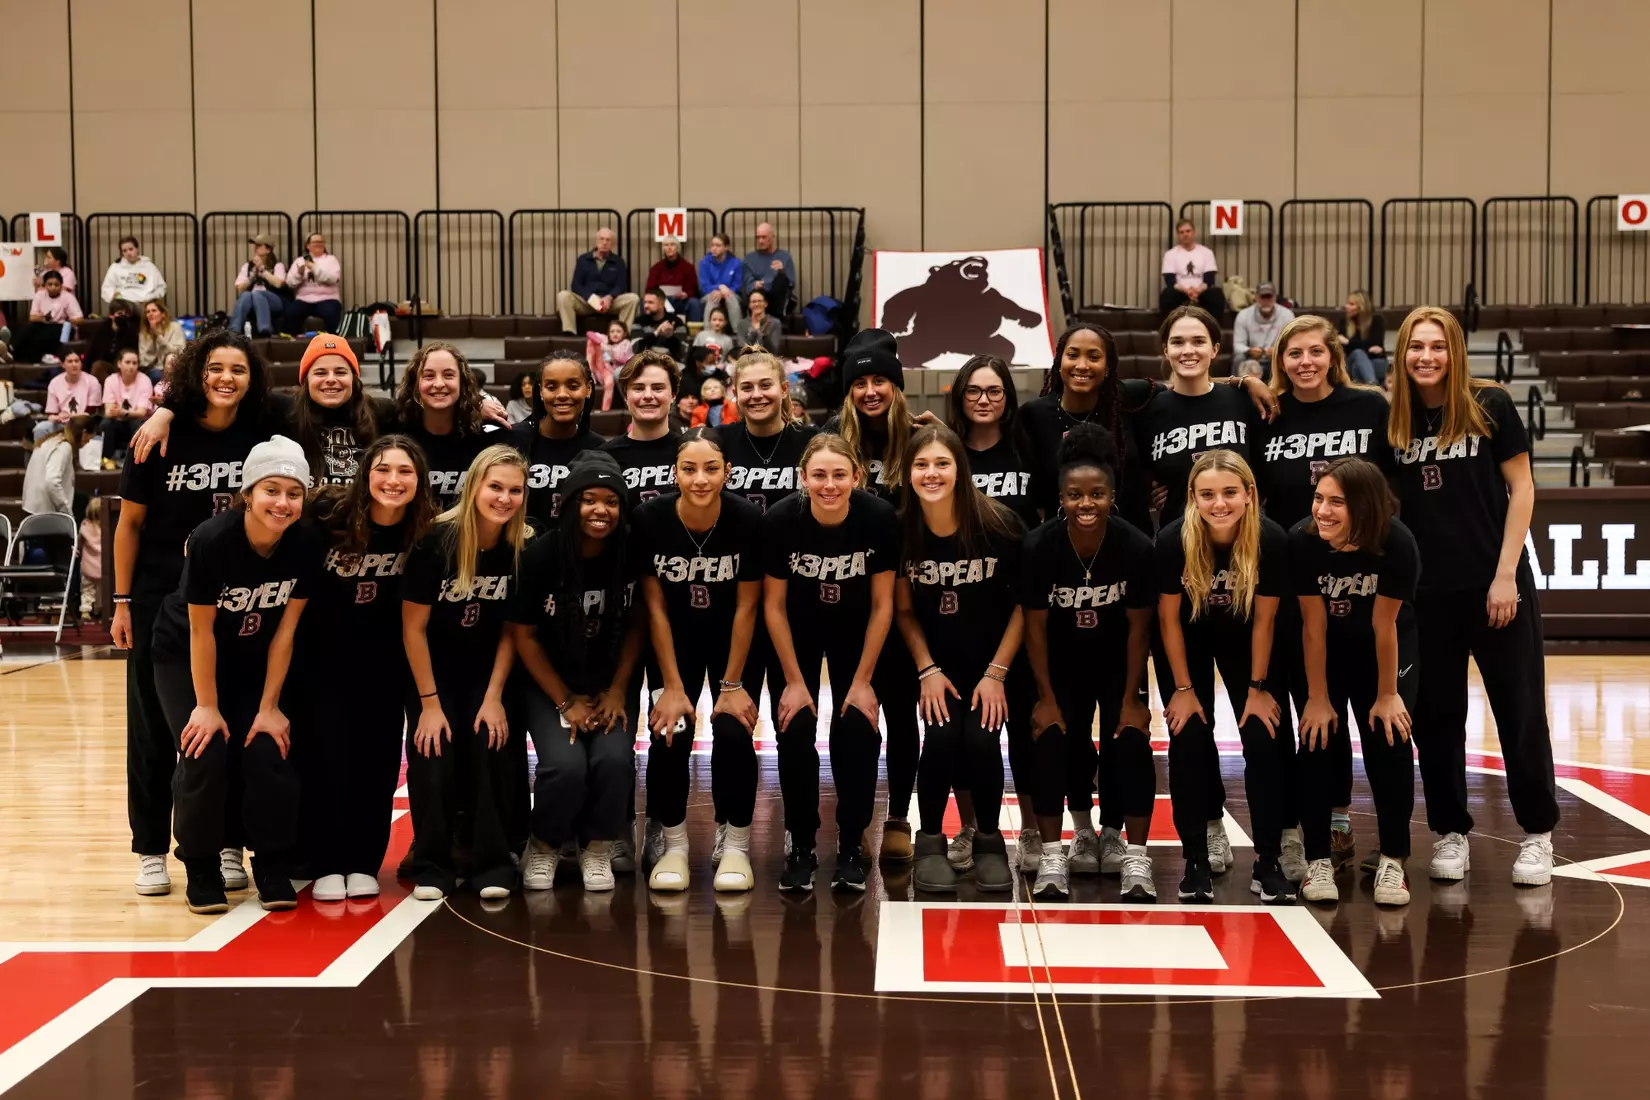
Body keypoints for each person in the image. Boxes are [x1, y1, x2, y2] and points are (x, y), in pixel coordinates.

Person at [1386, 306, 1557, 887]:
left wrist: (1506, 574)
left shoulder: (1492, 406)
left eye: (1437, 346)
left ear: (1455, 352)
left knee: (1520, 711)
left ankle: (1537, 834)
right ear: (1402, 354)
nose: (1426, 357)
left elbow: (1523, 487)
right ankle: (1450, 832)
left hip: (1497, 588)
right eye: (1416, 347)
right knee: (1437, 719)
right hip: (1427, 597)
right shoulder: (1395, 421)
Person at [112, 331, 275, 898]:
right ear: (194, 375)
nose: (226, 379)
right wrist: (121, 601)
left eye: (238, 369)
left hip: (233, 606)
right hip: (162, 605)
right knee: (156, 733)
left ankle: (228, 841)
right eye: (214, 368)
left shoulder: (261, 431)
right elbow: (128, 525)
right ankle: (151, 850)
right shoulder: (158, 437)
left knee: (222, 724)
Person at [149, 435, 317, 914]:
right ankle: (200, 866)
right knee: (205, 747)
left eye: (293, 493)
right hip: (185, 654)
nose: (282, 503)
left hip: (253, 656)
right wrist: (206, 706)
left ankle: (269, 863)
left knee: (268, 746)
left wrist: (269, 708)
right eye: (271, 490)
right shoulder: (211, 540)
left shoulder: (305, 544)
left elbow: (286, 631)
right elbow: (201, 632)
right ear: (248, 492)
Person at [1255, 314, 1395, 870]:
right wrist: (1246, 383)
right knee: (1316, 706)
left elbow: (1390, 491)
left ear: (1333, 356)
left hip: (1362, 582)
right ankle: (1329, 821)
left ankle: (1391, 839)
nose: (1305, 363)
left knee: (1371, 707)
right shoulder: (1268, 413)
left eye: (1315, 352)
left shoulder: (1369, 408)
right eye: (1294, 354)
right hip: (1297, 582)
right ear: (1280, 361)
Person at [1020, 424, 1157, 900]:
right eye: (1075, 494)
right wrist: (1044, 696)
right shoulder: (1039, 546)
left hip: (1117, 657)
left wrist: (1133, 696)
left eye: (1097, 494)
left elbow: (1141, 627)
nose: (1086, 504)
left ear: (1112, 495)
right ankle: (1068, 842)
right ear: (1060, 496)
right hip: (1059, 660)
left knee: (1130, 739)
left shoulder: (1136, 546)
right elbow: (1034, 626)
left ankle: (1128, 848)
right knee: (1057, 737)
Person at [301, 436, 437, 901]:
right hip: (325, 661)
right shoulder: (328, 519)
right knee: (329, 761)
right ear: (365, 474)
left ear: (419, 481)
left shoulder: (424, 532)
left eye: (404, 472)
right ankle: (326, 862)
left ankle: (363, 861)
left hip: (387, 665)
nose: (393, 481)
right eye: (383, 469)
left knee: (377, 764)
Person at [764, 434, 900, 892]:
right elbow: (773, 607)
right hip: (796, 633)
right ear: (803, 478)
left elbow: (884, 605)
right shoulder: (782, 519)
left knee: (859, 729)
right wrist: (794, 681)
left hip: (855, 631)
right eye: (818, 475)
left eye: (839, 475)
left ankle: (850, 844)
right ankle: (800, 844)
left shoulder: (878, 517)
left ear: (856, 478)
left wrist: (863, 681)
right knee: (796, 726)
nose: (829, 484)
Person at [1157, 450, 1292, 905]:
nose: (1219, 504)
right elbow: (1169, 621)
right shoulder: (1173, 540)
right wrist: (1181, 689)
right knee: (1190, 738)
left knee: (1264, 738)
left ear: (1250, 494)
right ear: (1192, 497)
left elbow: (1266, 622)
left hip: (1246, 637)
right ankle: (1196, 861)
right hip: (1188, 639)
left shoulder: (1270, 539)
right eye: (1208, 494)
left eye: (1230, 492)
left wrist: (1257, 690)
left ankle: (1269, 860)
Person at [632, 430, 765, 892]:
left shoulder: (747, 518)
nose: (701, 478)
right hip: (674, 640)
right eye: (689, 468)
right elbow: (654, 607)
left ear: (728, 471)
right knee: (670, 731)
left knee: (732, 730)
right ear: (675, 472)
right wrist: (670, 685)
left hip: (734, 641)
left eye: (711, 468)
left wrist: (731, 685)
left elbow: (749, 606)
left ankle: (736, 845)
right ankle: (673, 844)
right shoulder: (649, 518)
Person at [897, 425, 1022, 894]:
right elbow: (904, 611)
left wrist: (997, 674)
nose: (932, 473)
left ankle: (989, 842)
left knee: (983, 743)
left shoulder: (999, 524)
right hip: (935, 666)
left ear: (960, 469)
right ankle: (930, 842)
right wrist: (927, 670)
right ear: (908, 473)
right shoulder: (902, 528)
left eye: (942, 463)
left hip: (991, 663)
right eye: (921, 464)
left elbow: (1023, 608)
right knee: (942, 738)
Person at [510, 450, 643, 892]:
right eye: (588, 499)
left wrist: (618, 689)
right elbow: (524, 636)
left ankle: (598, 846)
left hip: (608, 683)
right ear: (569, 504)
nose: (600, 510)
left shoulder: (629, 551)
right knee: (565, 766)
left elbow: (636, 625)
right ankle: (545, 843)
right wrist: (565, 701)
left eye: (611, 500)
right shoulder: (541, 555)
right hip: (548, 684)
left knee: (613, 760)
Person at [401, 444, 529, 901]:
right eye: (495, 487)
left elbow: (514, 631)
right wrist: (428, 705)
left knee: (490, 744)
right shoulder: (434, 542)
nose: (504, 498)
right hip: (433, 673)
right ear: (474, 486)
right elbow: (412, 629)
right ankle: (433, 863)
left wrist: (494, 695)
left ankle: (492, 860)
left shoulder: (522, 546)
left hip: (489, 672)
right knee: (433, 751)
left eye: (515, 490)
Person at [1291, 457, 1420, 907]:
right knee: (1317, 736)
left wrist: (1387, 695)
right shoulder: (1303, 542)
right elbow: (1312, 625)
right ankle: (1320, 858)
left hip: (1381, 646)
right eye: (1318, 499)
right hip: (1325, 645)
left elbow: (1385, 626)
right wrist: (1318, 697)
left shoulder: (1397, 543)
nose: (1322, 511)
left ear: (1363, 507)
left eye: (1336, 503)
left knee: (1389, 736)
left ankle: (1393, 859)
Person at [819, 329, 922, 860]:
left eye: (881, 379)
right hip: (850, 603)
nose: (870, 391)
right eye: (860, 382)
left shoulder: (922, 440)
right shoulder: (833, 440)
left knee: (903, 713)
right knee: (851, 712)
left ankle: (900, 818)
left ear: (897, 386)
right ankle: (854, 820)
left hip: (907, 601)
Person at [1133, 306, 1266, 524]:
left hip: (1242, 535)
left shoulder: (1243, 401)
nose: (1188, 350)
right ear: (1166, 350)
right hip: (1179, 538)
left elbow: (1262, 472)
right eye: (1177, 342)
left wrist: (1244, 380)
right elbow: (1143, 474)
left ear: (1214, 349)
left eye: (1198, 341)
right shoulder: (1149, 409)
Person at [394, 342, 500, 511]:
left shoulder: (483, 439)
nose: (439, 384)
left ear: (462, 382)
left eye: (449, 375)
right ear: (415, 383)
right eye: (428, 376)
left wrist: (475, 403)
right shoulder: (397, 436)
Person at [507, 352, 605, 533]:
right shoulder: (514, 439)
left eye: (573, 386)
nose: (562, 395)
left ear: (588, 389)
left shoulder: (598, 449)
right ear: (541, 391)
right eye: (551, 387)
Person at [945, 354, 1040, 529]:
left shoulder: (1028, 448)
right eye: (973, 391)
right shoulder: (945, 454)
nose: (983, 400)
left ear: (1007, 397)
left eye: (994, 391)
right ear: (960, 395)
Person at [600, 350, 682, 512]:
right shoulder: (605, 457)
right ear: (626, 396)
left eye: (658, 388)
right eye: (638, 388)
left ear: (673, 395)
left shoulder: (688, 452)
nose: (648, 395)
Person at [555, 227, 640, 334]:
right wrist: (591, 298)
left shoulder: (618, 261)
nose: (604, 243)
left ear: (612, 244)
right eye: (601, 239)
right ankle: (569, 332)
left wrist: (610, 297)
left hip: (609, 303)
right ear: (596, 241)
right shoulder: (583, 259)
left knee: (633, 298)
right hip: (587, 302)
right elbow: (576, 285)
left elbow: (621, 285)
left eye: (608, 240)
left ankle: (622, 334)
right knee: (563, 296)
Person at [13, 270, 84, 362]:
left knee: (44, 336)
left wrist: (70, 319)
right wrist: (42, 318)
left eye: (56, 285)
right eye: (49, 284)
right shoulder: (39, 295)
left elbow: (80, 320)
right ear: (45, 285)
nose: (53, 287)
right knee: (27, 330)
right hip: (44, 324)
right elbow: (32, 317)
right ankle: (14, 354)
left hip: (63, 326)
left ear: (61, 285)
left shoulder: (68, 297)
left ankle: (39, 359)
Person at [281, 232, 344, 335]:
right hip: (304, 299)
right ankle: (290, 341)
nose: (318, 244)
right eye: (315, 242)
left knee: (331, 312)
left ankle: (332, 341)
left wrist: (313, 268)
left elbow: (333, 278)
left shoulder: (331, 260)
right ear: (307, 245)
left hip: (327, 298)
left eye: (321, 242)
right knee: (291, 312)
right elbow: (290, 283)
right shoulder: (299, 261)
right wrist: (299, 274)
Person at [1159, 219, 1225, 318]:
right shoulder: (1170, 254)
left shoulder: (1206, 252)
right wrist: (1187, 291)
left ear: (1194, 232)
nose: (1185, 234)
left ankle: (1213, 329)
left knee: (1216, 294)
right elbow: (1170, 280)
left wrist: (1197, 291)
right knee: (1167, 295)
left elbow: (1209, 279)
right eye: (1181, 232)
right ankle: (1171, 328)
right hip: (1181, 291)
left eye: (1188, 231)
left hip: (1201, 291)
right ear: (1178, 235)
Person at [1232, 283, 1295, 381]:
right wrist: (1249, 350)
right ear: (1256, 297)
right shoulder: (1243, 315)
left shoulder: (1287, 315)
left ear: (1275, 297)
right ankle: (1237, 392)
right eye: (1263, 297)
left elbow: (1292, 343)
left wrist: (1279, 350)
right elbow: (1238, 345)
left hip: (1275, 359)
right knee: (1239, 359)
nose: (1266, 301)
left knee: (1288, 358)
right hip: (1252, 359)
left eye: (1269, 297)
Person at [100, 347, 155, 460]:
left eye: (134, 363)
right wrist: (121, 413)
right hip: (118, 422)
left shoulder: (144, 380)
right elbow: (108, 412)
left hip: (136, 421)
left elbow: (141, 412)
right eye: (128, 362)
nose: (131, 366)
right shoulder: (111, 380)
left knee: (138, 424)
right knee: (106, 424)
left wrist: (122, 412)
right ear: (119, 364)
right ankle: (107, 459)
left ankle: (135, 461)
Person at [230, 234, 288, 338]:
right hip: (251, 300)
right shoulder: (247, 266)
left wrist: (262, 270)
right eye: (255, 245)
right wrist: (252, 276)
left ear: (268, 249)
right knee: (246, 295)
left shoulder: (277, 265)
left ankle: (265, 328)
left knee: (257, 293)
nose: (255, 248)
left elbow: (279, 284)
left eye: (259, 245)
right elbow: (239, 288)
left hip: (273, 300)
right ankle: (233, 331)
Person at [22, 418, 74, 516]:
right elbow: (52, 482)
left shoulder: (48, 440)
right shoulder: (63, 447)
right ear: (84, 434)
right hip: (45, 514)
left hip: (32, 505)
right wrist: (67, 512)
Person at [743, 222, 797, 315]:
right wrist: (755, 284)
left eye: (764, 237)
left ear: (772, 237)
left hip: (777, 295)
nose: (760, 241)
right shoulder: (749, 258)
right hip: (758, 294)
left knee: (781, 279)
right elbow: (748, 281)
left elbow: (791, 283)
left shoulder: (784, 256)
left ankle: (776, 318)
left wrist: (781, 271)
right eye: (758, 237)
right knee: (755, 291)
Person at [646, 239, 703, 322]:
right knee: (647, 302)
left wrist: (686, 294)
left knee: (695, 303)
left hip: (683, 300)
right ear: (663, 249)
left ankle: (693, 331)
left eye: (672, 245)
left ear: (678, 248)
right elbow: (650, 289)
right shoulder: (656, 268)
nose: (669, 248)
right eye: (666, 245)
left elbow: (693, 289)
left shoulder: (688, 267)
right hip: (662, 300)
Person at [101, 236, 168, 306]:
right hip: (123, 306)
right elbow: (107, 288)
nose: (128, 253)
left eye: (131, 249)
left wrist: (150, 299)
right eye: (125, 251)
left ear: (137, 249)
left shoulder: (149, 267)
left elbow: (161, 287)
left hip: (145, 306)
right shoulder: (115, 267)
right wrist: (115, 298)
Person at [1339, 290, 1387, 386]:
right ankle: (1374, 387)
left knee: (1358, 368)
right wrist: (1365, 346)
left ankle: (1367, 390)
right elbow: (1369, 346)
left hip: (1375, 362)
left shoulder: (1376, 320)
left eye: (1351, 304)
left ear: (1361, 307)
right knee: (1358, 353)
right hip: (1350, 362)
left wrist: (1348, 342)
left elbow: (1374, 343)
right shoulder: (1344, 323)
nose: (1346, 306)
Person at [586, 318, 635, 409]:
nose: (615, 334)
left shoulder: (626, 343)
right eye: (612, 331)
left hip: (616, 372)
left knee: (609, 383)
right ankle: (590, 371)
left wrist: (609, 350)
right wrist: (601, 343)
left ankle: (605, 410)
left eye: (618, 331)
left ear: (624, 334)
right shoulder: (605, 340)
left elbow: (624, 359)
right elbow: (589, 333)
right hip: (602, 369)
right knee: (592, 343)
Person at [698, 233, 744, 329]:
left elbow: (737, 285)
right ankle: (708, 333)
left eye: (718, 245)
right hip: (709, 294)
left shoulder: (736, 263)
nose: (714, 248)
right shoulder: (705, 262)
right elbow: (705, 286)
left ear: (726, 247)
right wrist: (719, 287)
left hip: (731, 294)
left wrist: (725, 291)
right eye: (712, 245)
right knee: (713, 298)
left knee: (730, 297)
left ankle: (738, 333)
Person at [45, 349, 102, 424]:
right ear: (63, 364)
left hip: (84, 423)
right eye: (70, 361)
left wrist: (72, 417)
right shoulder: (54, 383)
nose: (74, 364)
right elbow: (51, 414)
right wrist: (57, 418)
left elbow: (92, 412)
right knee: (41, 428)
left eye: (77, 361)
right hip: (61, 423)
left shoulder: (92, 381)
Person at [633, 290, 690, 361]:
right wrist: (656, 333)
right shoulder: (639, 321)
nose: (646, 305)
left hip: (670, 362)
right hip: (646, 362)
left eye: (650, 302)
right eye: (645, 302)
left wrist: (670, 337)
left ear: (662, 303)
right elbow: (635, 349)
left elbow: (683, 352)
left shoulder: (676, 321)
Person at [138, 300, 186, 373]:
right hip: (153, 369)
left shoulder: (175, 327)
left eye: (154, 311)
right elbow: (144, 361)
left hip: (173, 368)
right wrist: (153, 338)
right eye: (147, 312)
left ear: (163, 314)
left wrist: (159, 337)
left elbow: (179, 352)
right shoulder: (143, 333)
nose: (150, 314)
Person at [735, 288, 783, 355]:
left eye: (760, 301)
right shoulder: (742, 324)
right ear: (749, 305)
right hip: (748, 361)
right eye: (753, 301)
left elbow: (774, 350)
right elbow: (742, 349)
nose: (757, 304)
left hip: (768, 361)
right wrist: (754, 333)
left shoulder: (775, 323)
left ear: (765, 304)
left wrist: (764, 336)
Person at [79, 496, 105, 619]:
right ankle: (99, 609)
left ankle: (85, 609)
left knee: (87, 590)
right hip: (102, 567)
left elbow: (79, 544)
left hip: (88, 566)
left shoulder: (84, 526)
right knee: (101, 591)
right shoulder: (106, 528)